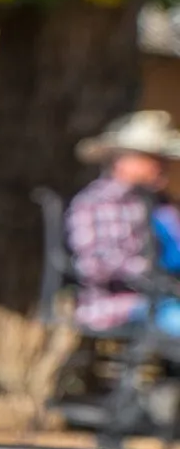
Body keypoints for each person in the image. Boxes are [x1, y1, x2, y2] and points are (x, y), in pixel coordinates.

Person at [65, 110, 180, 335]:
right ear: (123, 160)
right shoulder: (96, 203)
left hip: (165, 299)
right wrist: (152, 273)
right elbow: (94, 264)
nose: (161, 166)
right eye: (152, 159)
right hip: (118, 304)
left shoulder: (161, 205)